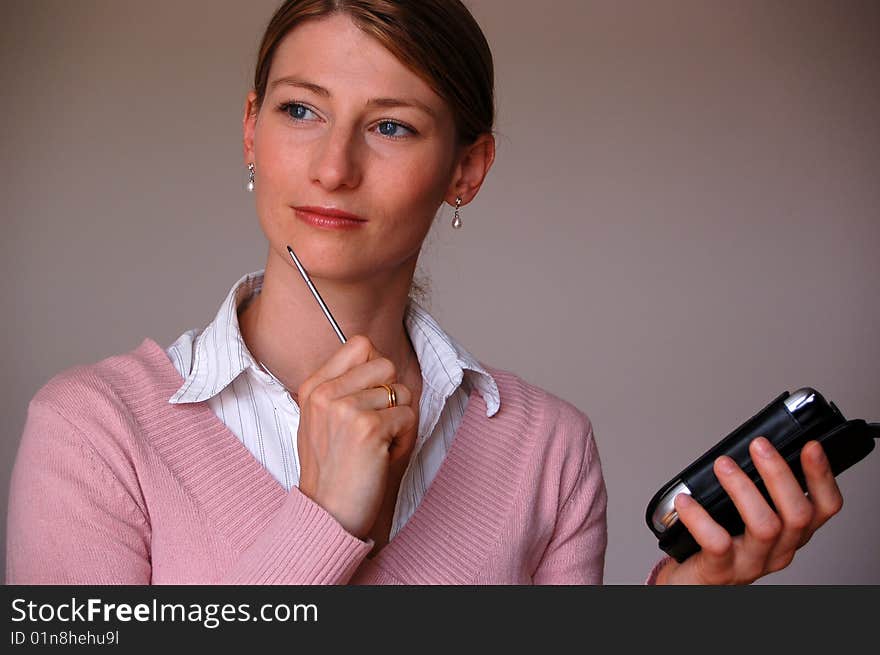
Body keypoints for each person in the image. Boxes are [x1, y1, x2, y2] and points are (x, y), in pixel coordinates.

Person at [6, 0, 843, 585]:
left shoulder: (546, 449)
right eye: (302, 112)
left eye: (391, 125)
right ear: (250, 129)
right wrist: (323, 519)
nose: (334, 167)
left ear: (467, 170)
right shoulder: (94, 429)